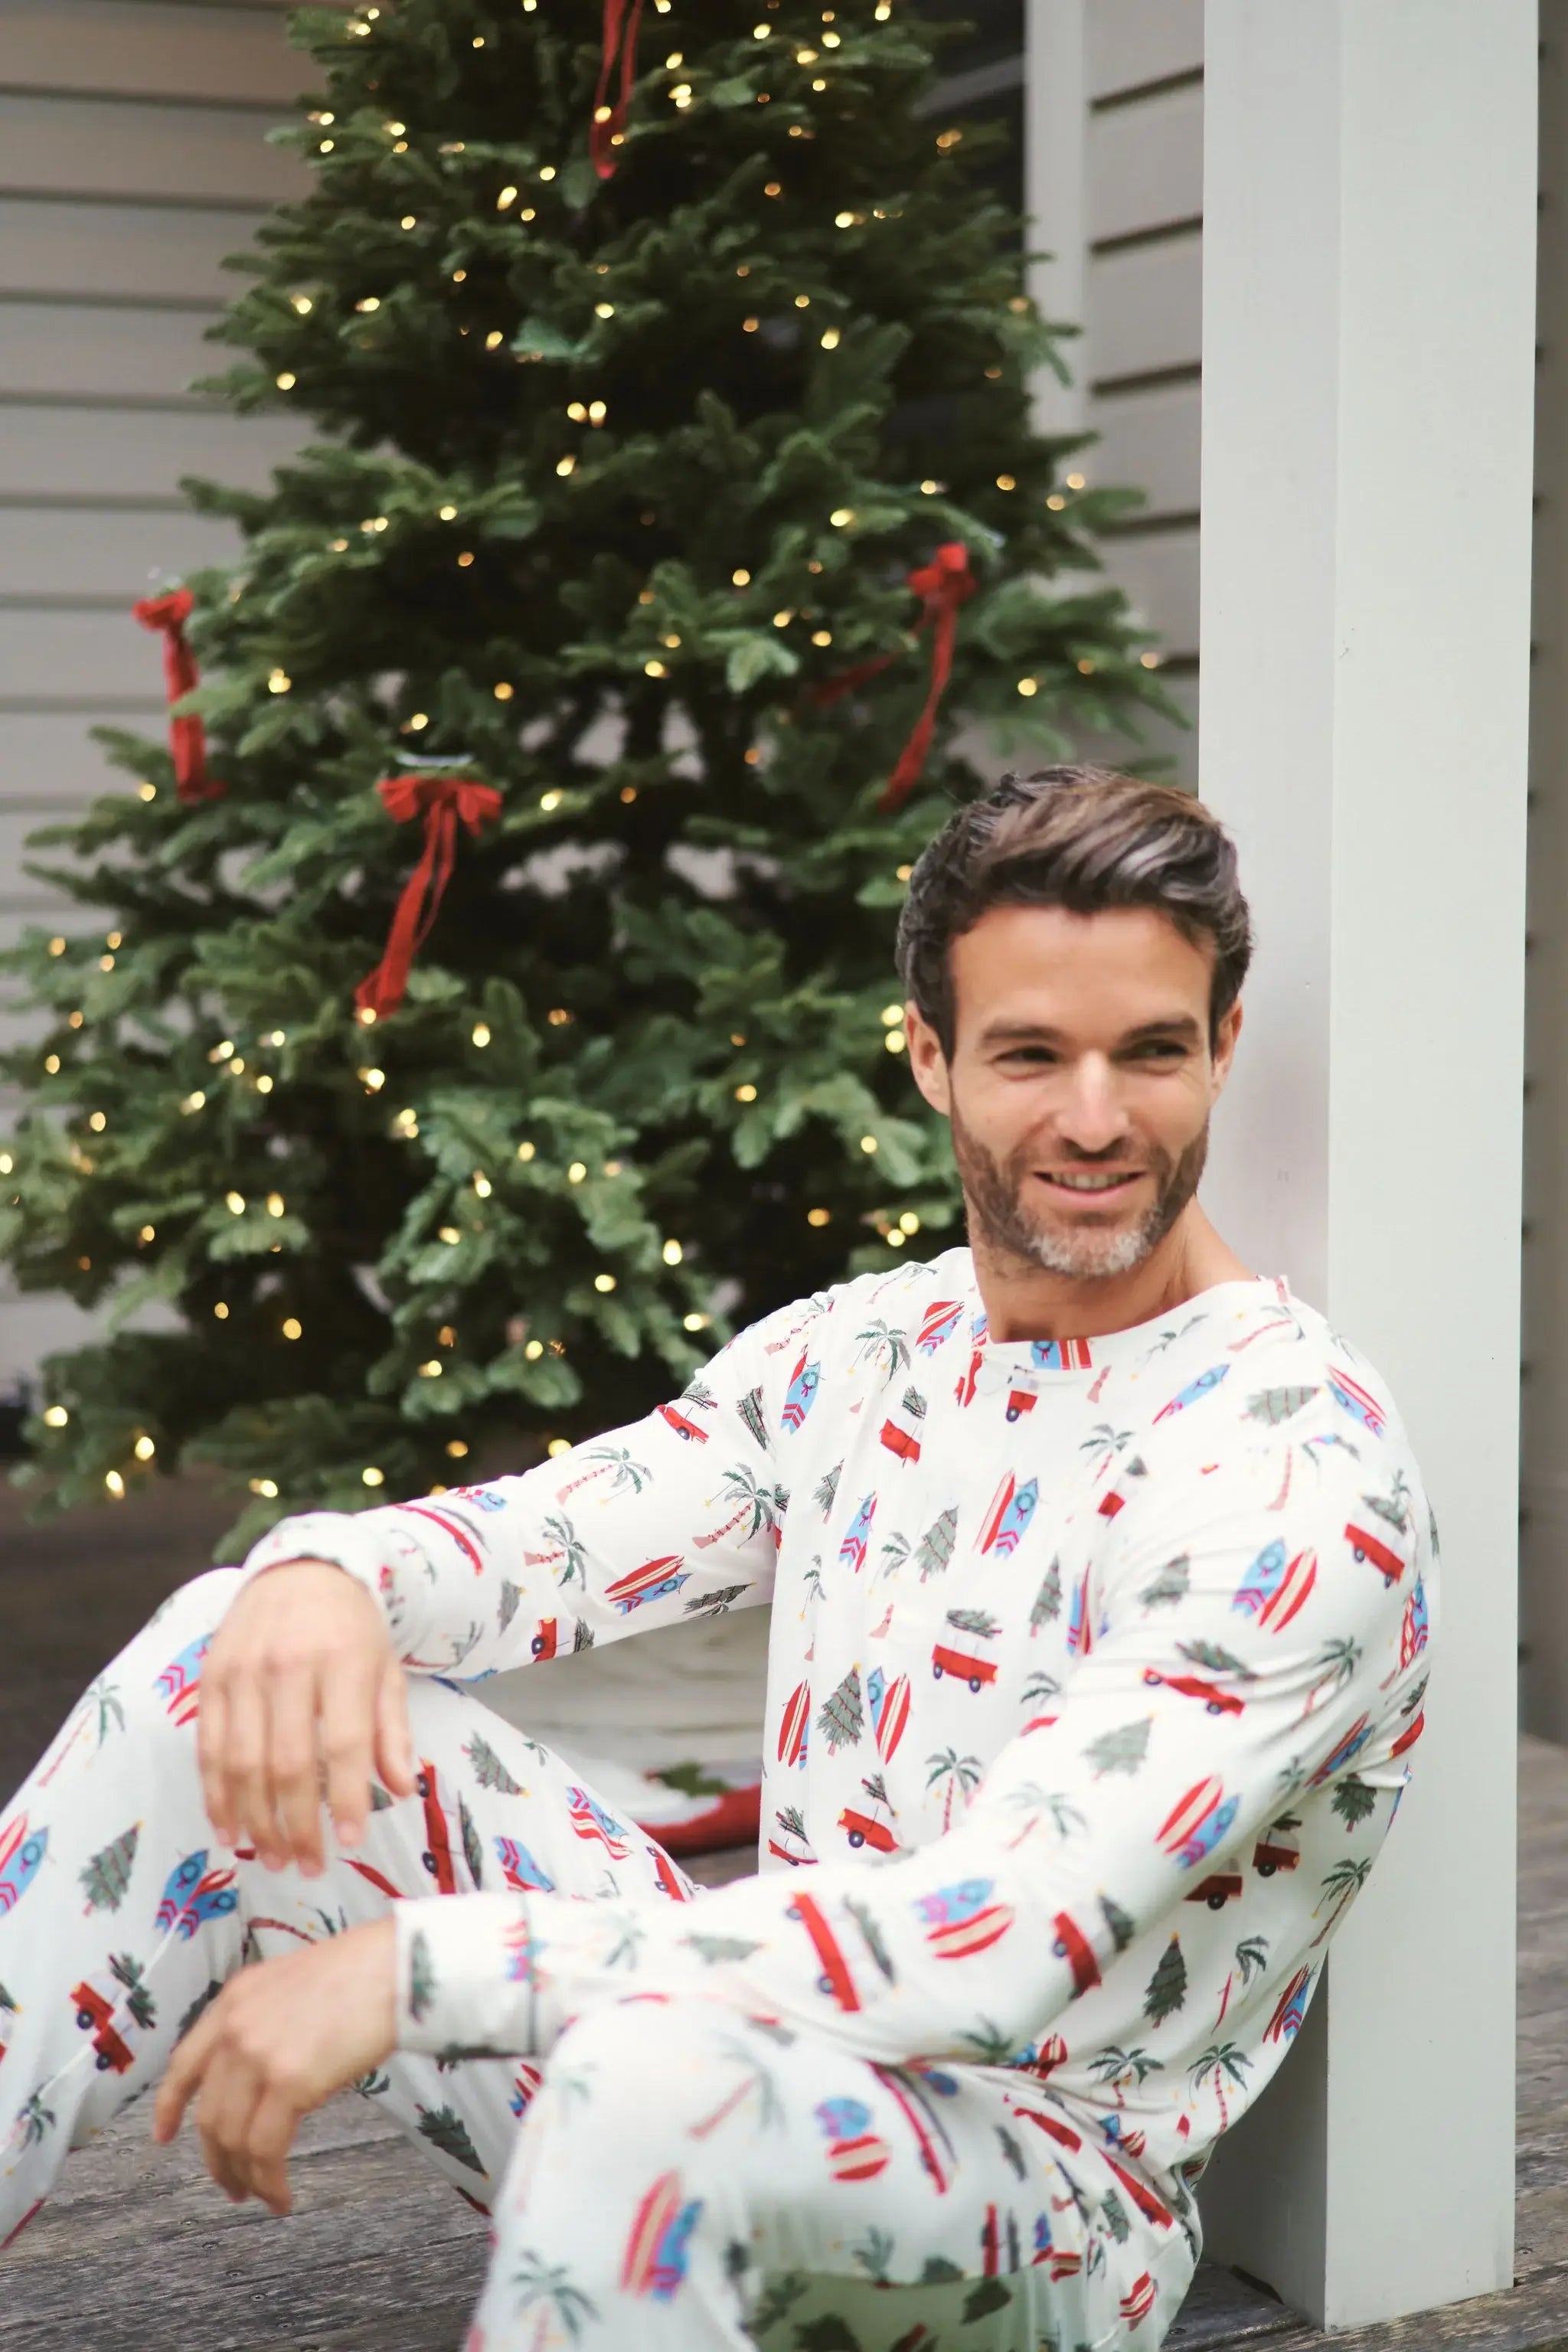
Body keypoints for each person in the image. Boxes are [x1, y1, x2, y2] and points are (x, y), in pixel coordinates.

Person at [0, 768, 1434, 2351]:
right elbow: (546, 1543)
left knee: (660, 2073)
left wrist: (416, 1967)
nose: (1093, 1118)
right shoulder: (861, 1354)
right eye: (1029, 1054)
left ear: (1221, 1049)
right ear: (928, 1060)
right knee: (235, 1648)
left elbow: (988, 1946)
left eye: (1150, 1053)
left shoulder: (1295, 1468)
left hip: (1033, 2213)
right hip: (741, 2051)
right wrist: (323, 1569)